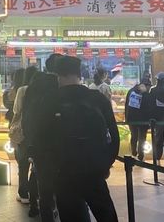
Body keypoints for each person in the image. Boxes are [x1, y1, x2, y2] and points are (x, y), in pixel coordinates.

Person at [33, 56, 120, 222]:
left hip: (63, 174)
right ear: (79, 74)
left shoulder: (50, 100)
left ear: (58, 75)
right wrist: (104, 164)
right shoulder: (97, 98)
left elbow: (41, 139)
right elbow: (114, 137)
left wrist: (50, 170)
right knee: (106, 216)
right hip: (94, 171)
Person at [22, 71, 60, 219]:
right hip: (55, 149)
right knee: (56, 185)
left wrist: (30, 144)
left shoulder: (31, 97)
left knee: (42, 186)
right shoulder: (54, 99)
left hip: (38, 148)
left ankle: (42, 210)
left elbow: (26, 123)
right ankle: (54, 209)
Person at [9, 66, 39, 204]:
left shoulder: (22, 90)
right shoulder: (40, 89)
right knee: (36, 163)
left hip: (23, 130)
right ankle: (35, 193)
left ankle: (23, 194)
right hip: (37, 130)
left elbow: (17, 110)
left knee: (23, 164)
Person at [125, 78, 152, 160]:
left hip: (132, 119)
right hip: (143, 120)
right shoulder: (145, 94)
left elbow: (127, 106)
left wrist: (127, 118)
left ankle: (134, 153)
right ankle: (140, 156)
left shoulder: (131, 91)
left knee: (134, 136)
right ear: (145, 85)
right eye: (149, 87)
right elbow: (148, 107)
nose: (149, 89)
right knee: (142, 138)